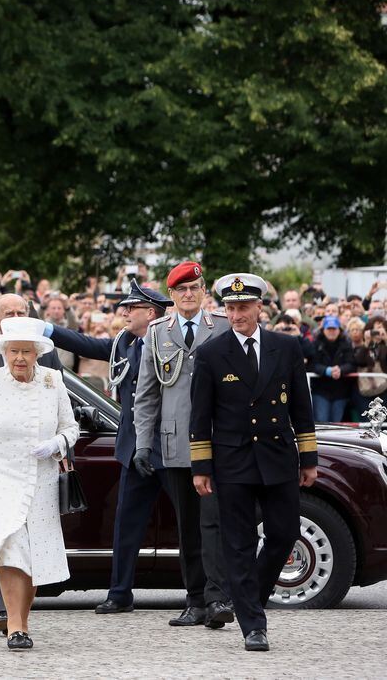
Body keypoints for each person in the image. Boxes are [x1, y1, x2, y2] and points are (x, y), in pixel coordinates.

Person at [190, 273, 317, 652]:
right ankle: (253, 625)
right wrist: (201, 467)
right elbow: (201, 415)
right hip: (233, 460)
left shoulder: (286, 346)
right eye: (230, 307)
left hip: (277, 455)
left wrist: (308, 458)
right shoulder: (212, 353)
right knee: (239, 544)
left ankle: (249, 599)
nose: (236, 314)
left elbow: (301, 407)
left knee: (283, 534)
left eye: (243, 307)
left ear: (260, 307)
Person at [43, 280, 185, 616]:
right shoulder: (126, 342)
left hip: (168, 448)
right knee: (126, 525)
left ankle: (202, 594)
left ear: (150, 313)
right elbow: (90, 345)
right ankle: (120, 592)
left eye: (131, 308)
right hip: (134, 448)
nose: (124, 313)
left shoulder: (171, 344)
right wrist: (49, 329)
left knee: (189, 523)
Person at [0, 317, 79, 650]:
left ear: (37, 352)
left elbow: (71, 428)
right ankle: (14, 626)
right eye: (14, 352)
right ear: (4, 352)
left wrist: (56, 444)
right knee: (10, 550)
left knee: (34, 554)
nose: (20, 359)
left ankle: (22, 622)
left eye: (26, 352)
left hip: (40, 478)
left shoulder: (52, 380)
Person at [133, 261, 234, 629]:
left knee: (215, 522)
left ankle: (218, 597)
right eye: (181, 290)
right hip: (175, 444)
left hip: (218, 442)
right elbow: (146, 394)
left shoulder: (222, 326)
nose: (188, 295)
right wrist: (143, 444)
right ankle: (194, 600)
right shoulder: (157, 332)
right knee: (187, 525)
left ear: (204, 291)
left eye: (194, 288)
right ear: (171, 296)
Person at [309, 315, 357, 422]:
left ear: (339, 330)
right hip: (321, 390)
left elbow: (352, 364)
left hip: (340, 391)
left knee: (337, 423)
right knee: (322, 421)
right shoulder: (316, 344)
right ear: (323, 330)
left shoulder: (346, 344)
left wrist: (341, 370)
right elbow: (312, 364)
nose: (332, 331)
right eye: (329, 329)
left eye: (334, 329)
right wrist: (327, 371)